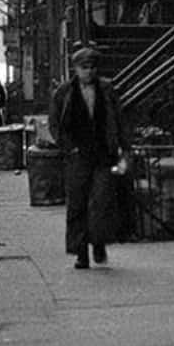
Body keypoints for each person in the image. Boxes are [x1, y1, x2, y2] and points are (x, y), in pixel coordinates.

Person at [49, 45, 129, 269]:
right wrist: (67, 148)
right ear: (76, 68)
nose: (89, 71)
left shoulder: (107, 90)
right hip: (77, 156)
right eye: (84, 67)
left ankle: (99, 242)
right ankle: (80, 252)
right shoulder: (64, 93)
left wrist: (124, 147)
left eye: (93, 67)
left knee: (102, 202)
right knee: (77, 204)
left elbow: (118, 120)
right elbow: (55, 124)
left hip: (104, 154)